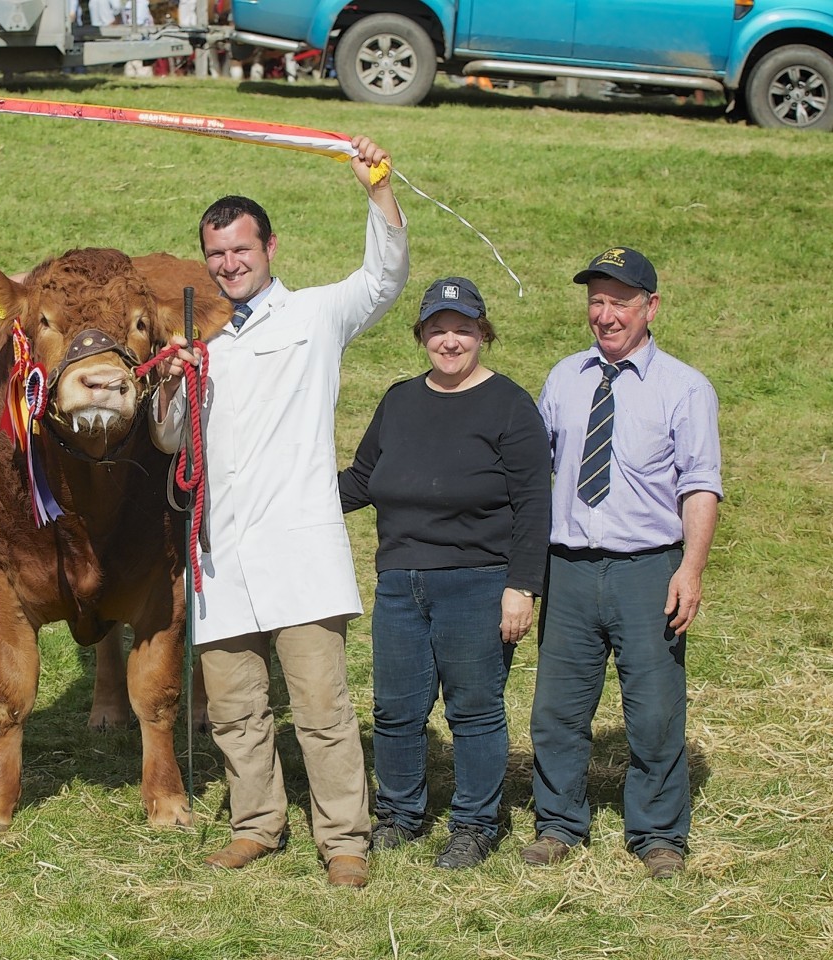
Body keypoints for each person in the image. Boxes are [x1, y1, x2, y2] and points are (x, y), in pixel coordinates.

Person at [151, 136, 408, 889]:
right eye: (217, 254)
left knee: (323, 710)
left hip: (299, 553)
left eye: (240, 249)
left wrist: (376, 189)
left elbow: (384, 278)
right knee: (234, 712)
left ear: (269, 247)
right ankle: (257, 825)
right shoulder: (202, 337)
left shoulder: (318, 315)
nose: (229, 264)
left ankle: (345, 842)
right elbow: (171, 439)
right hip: (221, 556)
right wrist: (174, 382)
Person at [338, 276, 550, 870]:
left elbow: (535, 505)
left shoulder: (510, 405)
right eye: (438, 329)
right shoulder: (399, 399)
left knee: (474, 710)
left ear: (483, 333)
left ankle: (475, 825)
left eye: (462, 329)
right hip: (401, 583)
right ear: (421, 334)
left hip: (478, 582)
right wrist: (290, 498)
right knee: (396, 711)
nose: (449, 340)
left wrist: (521, 586)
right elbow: (362, 480)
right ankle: (400, 815)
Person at [526, 247, 722, 879]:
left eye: (619, 302)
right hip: (571, 568)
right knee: (557, 707)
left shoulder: (685, 388)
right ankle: (558, 823)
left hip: (648, 570)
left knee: (656, 708)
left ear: (650, 307)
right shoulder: (563, 378)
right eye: (596, 301)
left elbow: (700, 486)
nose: (605, 315)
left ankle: (659, 833)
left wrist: (689, 570)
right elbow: (532, 475)